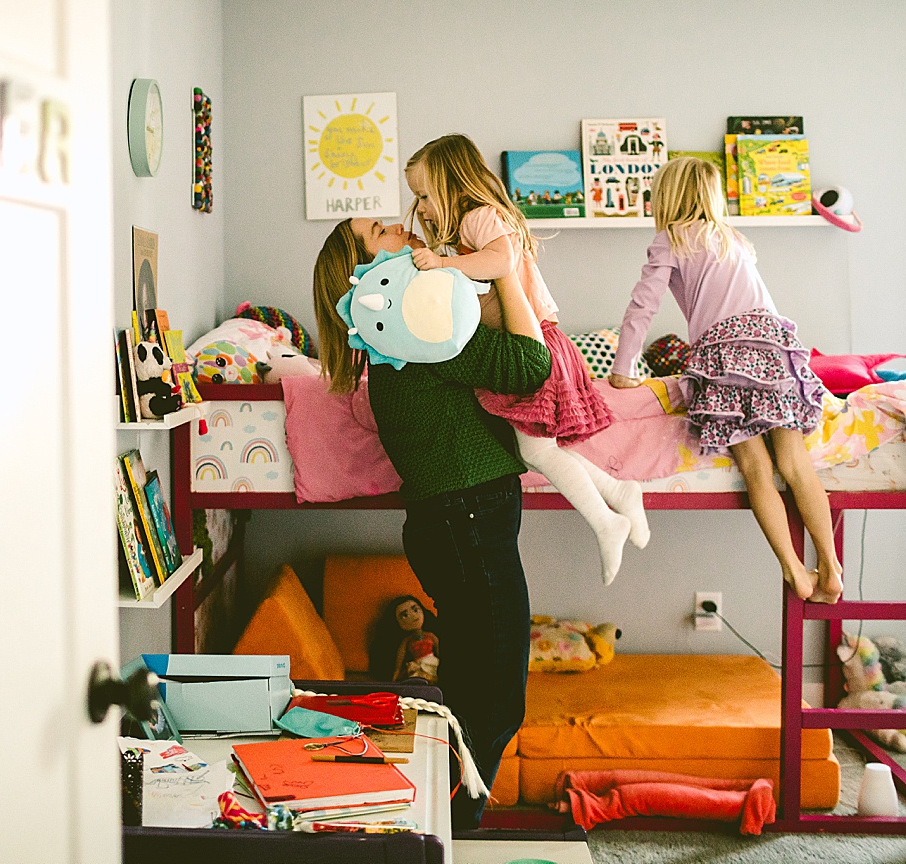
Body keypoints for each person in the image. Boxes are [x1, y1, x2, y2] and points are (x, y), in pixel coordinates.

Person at [313, 216, 550, 830]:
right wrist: (503, 272)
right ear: (363, 271)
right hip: (465, 523)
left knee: (476, 688)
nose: (400, 223)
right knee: (495, 696)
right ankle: (446, 829)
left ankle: (440, 825)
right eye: (380, 231)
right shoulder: (417, 330)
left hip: (456, 524)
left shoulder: (399, 336)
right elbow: (530, 365)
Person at [405, 134, 649, 586]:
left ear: (450, 183)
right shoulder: (470, 227)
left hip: (539, 343)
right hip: (536, 340)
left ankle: (606, 519)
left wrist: (442, 266)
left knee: (535, 449)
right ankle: (617, 493)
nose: (419, 206)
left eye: (424, 194)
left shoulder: (480, 217)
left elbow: (501, 259)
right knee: (540, 448)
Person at [608, 156, 842, 603]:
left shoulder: (670, 240)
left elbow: (642, 308)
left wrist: (623, 370)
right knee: (794, 464)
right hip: (774, 347)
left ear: (669, 197)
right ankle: (831, 567)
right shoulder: (733, 239)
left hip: (725, 356)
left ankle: (796, 570)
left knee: (757, 467)